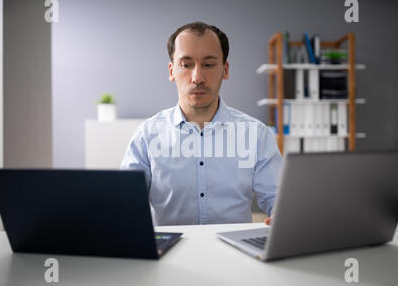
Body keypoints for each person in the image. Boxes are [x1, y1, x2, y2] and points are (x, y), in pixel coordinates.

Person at [120, 21, 281, 225]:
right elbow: (125, 202)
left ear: (225, 69)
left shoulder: (256, 134)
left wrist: (283, 216)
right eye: (186, 65)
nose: (197, 77)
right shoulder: (147, 134)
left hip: (234, 254)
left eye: (209, 64)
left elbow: (279, 199)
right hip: (167, 254)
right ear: (172, 71)